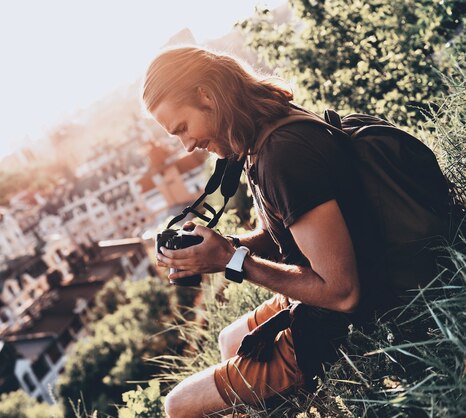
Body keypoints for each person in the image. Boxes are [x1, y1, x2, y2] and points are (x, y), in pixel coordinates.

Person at [142, 46, 386, 417]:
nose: (187, 145)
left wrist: (232, 260)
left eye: (182, 128)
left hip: (353, 310)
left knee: (178, 407)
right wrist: (223, 248)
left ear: (207, 95)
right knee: (230, 340)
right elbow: (284, 235)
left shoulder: (282, 155)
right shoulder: (267, 132)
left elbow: (343, 293)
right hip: (339, 286)